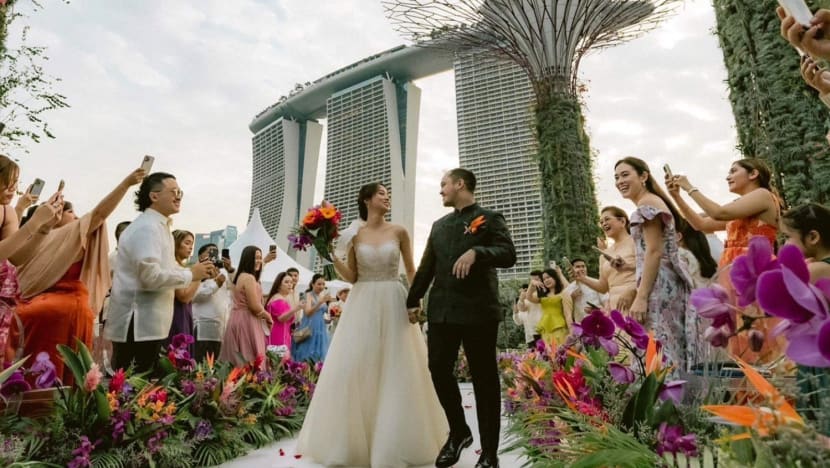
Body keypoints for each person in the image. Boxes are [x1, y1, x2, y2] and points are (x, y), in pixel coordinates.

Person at [297, 182, 448, 466]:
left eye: (388, 195)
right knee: (357, 364)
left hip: (394, 297)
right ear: (367, 200)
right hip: (362, 300)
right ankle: (352, 442)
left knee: (398, 366)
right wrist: (329, 253)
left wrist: (417, 300)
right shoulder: (354, 234)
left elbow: (411, 269)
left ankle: (396, 440)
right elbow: (352, 276)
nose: (386, 197)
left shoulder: (399, 231)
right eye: (381, 194)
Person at [407, 169, 516, 468]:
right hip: (442, 310)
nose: (440, 190)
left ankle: (490, 453)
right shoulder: (439, 225)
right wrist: (412, 299)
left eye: (443, 184)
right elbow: (427, 266)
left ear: (460, 184)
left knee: (484, 380)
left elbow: (508, 254)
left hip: (479, 312)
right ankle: (459, 432)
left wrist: (477, 252)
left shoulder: (490, 217)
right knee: (438, 368)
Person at [12, 168, 144, 383]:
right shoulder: (38, 239)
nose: (76, 216)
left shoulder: (73, 235)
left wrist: (126, 184)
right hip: (42, 306)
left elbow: (100, 213)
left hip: (67, 305)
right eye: (69, 211)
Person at [666, 158, 781, 363]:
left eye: (733, 171)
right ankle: (745, 392)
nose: (728, 176)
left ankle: (765, 390)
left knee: (756, 331)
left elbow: (720, 212)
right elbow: (701, 224)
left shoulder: (763, 196)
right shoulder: (741, 206)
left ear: (753, 174)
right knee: (736, 334)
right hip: (732, 271)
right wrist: (677, 196)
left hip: (755, 269)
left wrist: (689, 187)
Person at [104, 172, 215, 374]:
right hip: (137, 325)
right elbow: (150, 276)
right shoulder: (147, 228)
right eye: (173, 192)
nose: (179, 196)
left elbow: (170, 271)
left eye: (180, 192)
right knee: (134, 391)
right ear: (154, 196)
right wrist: (191, 273)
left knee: (145, 393)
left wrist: (196, 274)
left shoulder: (159, 227)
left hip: (149, 326)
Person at [615, 157, 693, 371]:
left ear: (643, 176)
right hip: (663, 282)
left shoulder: (647, 203)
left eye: (625, 175)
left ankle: (662, 401)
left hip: (659, 286)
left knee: (658, 347)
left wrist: (641, 297)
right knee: (666, 345)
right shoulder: (650, 201)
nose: (620, 181)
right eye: (616, 177)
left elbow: (654, 251)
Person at [0, 155, 63, 365]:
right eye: (7, 182)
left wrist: (43, 228)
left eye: (15, 183)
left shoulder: (6, 211)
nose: (13, 189)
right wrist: (33, 222)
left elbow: (16, 257)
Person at [572, 206, 637, 313]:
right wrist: (582, 278)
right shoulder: (604, 255)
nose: (603, 224)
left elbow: (651, 269)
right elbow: (603, 287)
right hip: (616, 308)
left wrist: (633, 290)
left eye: (607, 219)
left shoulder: (636, 242)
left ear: (622, 221)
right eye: (601, 222)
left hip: (636, 302)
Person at [219, 245, 272, 367]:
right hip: (247, 320)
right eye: (256, 258)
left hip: (237, 318)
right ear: (248, 259)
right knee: (249, 358)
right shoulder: (249, 278)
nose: (259, 261)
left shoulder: (241, 276)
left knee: (237, 359)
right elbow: (254, 306)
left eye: (260, 257)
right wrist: (267, 315)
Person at [192, 243, 232, 362]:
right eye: (210, 252)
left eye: (215, 252)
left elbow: (236, 287)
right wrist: (216, 284)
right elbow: (195, 296)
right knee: (200, 362)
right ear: (200, 257)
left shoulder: (222, 274)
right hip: (203, 326)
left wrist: (230, 269)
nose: (213, 255)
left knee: (214, 366)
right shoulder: (196, 274)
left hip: (220, 327)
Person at [163, 230, 198, 355]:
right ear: (176, 243)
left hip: (185, 313)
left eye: (192, 244)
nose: (190, 247)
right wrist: (198, 276)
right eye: (187, 243)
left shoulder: (182, 267)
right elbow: (183, 296)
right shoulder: (173, 266)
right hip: (176, 314)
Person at [528, 268, 573, 346]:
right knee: (549, 355)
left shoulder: (564, 294)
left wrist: (572, 333)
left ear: (555, 277)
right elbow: (529, 297)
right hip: (546, 330)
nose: (546, 280)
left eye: (548, 277)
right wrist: (532, 284)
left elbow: (568, 314)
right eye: (544, 279)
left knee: (561, 353)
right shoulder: (542, 296)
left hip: (559, 328)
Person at [292, 274, 331, 362]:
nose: (321, 286)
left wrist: (329, 319)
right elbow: (308, 313)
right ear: (313, 284)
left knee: (318, 355)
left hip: (321, 329)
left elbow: (320, 315)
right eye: (319, 284)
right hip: (309, 328)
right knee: (306, 353)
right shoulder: (307, 295)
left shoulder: (322, 296)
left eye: (323, 284)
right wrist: (319, 303)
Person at [264, 271, 301, 358]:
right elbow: (281, 318)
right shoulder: (279, 300)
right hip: (279, 337)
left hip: (278, 335)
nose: (290, 284)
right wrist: (296, 309)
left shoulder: (278, 298)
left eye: (291, 282)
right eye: (286, 282)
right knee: (278, 365)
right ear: (279, 285)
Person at [513, 271, 543, 348]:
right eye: (531, 280)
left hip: (548, 329)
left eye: (536, 280)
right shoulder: (527, 297)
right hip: (534, 332)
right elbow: (522, 309)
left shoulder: (547, 291)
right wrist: (521, 300)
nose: (533, 283)